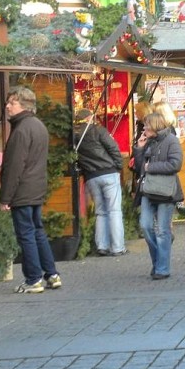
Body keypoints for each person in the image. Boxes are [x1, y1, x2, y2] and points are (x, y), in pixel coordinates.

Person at [0, 86, 61, 294]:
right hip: (36, 188)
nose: (7, 106)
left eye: (12, 103)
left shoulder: (21, 129)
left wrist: (5, 197)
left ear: (24, 105)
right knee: (38, 232)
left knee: (26, 234)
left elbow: (14, 166)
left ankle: (33, 279)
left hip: (23, 191)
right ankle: (51, 274)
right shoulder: (38, 125)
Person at [133, 112, 183, 280]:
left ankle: (162, 268)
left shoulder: (171, 140)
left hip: (165, 192)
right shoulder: (148, 142)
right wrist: (139, 149)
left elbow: (175, 164)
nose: (144, 129)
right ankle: (158, 261)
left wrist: (151, 167)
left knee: (162, 231)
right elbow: (140, 167)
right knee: (146, 226)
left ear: (155, 126)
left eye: (146, 126)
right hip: (148, 190)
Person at [74, 108, 127, 257]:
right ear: (90, 117)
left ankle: (102, 246)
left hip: (91, 176)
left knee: (100, 212)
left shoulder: (75, 136)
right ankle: (117, 247)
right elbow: (113, 148)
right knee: (114, 210)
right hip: (108, 172)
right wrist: (118, 166)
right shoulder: (98, 130)